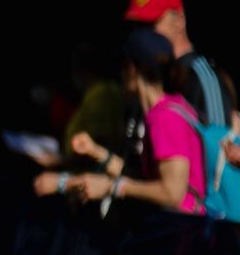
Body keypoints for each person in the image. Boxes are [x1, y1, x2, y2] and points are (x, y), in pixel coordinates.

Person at [36, 30, 202, 214]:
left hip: (181, 228)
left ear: (132, 68)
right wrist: (95, 151)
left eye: (122, 65)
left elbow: (173, 193)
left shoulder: (165, 118)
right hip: (177, 226)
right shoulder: (166, 110)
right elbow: (144, 180)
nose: (120, 73)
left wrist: (113, 187)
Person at [124, 0, 233, 128]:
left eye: (151, 24)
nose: (143, 35)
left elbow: (221, 139)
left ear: (180, 20)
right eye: (139, 26)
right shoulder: (145, 77)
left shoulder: (201, 78)